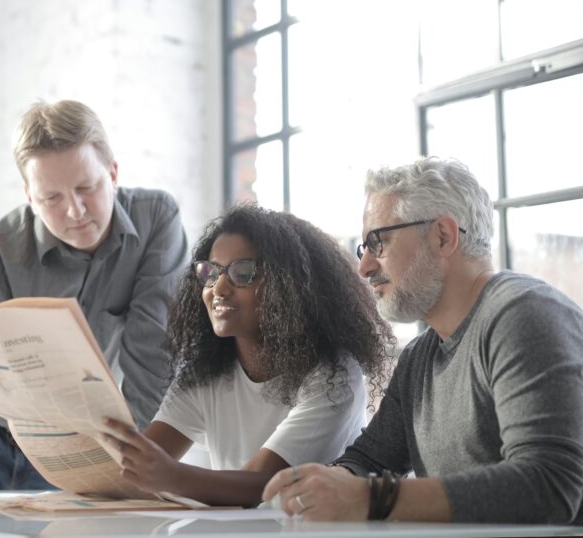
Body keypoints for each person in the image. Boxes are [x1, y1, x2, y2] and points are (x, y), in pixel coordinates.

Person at [0, 99, 189, 500]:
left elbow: (154, 353)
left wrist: (133, 464)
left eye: (86, 188)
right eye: (51, 198)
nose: (75, 211)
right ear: (28, 195)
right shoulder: (4, 245)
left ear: (112, 173)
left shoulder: (156, 219)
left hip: (80, 447)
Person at [263, 157, 583, 524]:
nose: (365, 267)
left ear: (443, 236)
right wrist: (329, 485)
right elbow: (370, 461)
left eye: (379, 242)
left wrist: (371, 499)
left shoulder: (523, 315)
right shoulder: (420, 356)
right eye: (364, 249)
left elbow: (548, 487)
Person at [101, 203, 393, 507]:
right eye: (210, 273)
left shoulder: (335, 376)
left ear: (289, 285)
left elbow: (263, 487)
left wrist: (170, 476)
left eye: (242, 272)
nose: (219, 288)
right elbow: (141, 464)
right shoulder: (205, 371)